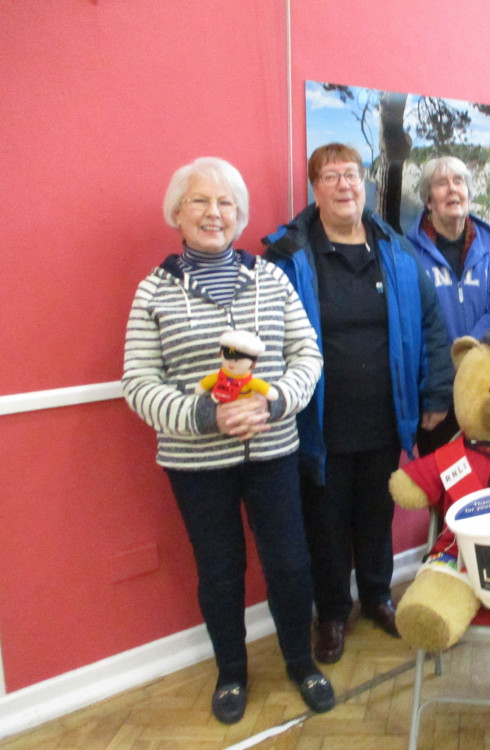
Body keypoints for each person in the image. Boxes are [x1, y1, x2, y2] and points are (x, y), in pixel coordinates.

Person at [122, 157, 333, 725]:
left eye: (225, 204)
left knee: (289, 564)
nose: (213, 213)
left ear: (239, 216)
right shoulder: (154, 291)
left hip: (272, 452)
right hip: (195, 462)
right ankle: (232, 673)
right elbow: (138, 383)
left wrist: (274, 401)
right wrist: (204, 416)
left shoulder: (270, 277)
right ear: (177, 212)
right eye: (200, 201)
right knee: (219, 572)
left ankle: (300, 661)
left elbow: (307, 355)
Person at [262, 143, 453, 666]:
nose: (344, 185)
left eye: (352, 174)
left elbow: (432, 324)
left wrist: (435, 392)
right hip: (318, 420)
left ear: (365, 184)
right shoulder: (289, 255)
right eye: (330, 176)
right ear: (314, 188)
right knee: (324, 522)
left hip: (387, 415)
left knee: (375, 513)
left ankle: (377, 596)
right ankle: (331, 613)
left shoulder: (394, 249)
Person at [406, 155, 490, 454]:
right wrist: (444, 367)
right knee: (441, 480)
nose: (452, 190)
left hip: (484, 383)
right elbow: (413, 321)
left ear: (469, 193)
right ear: (428, 200)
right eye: (442, 184)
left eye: (459, 182)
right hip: (434, 388)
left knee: (484, 479)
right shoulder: (408, 252)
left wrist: (466, 349)